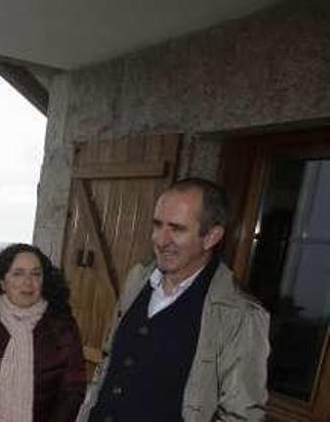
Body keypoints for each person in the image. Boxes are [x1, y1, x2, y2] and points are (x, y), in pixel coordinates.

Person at [76, 178, 270, 422]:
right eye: (157, 225)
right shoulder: (137, 278)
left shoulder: (239, 314)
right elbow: (109, 361)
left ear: (211, 236)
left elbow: (242, 416)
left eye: (177, 229)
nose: (160, 239)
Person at [0, 243, 86, 422]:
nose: (28, 282)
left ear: (44, 280)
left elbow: (73, 388)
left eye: (36, 274)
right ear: (3, 282)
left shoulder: (62, 325)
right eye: (18, 273)